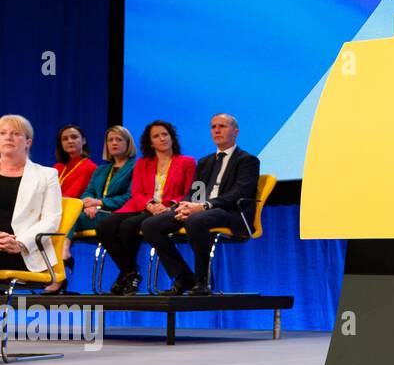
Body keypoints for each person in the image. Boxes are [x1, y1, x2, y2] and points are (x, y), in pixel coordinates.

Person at [141, 113, 259, 296]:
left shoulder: (247, 160)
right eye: (213, 127)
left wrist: (204, 206)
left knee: (196, 221)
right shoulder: (205, 162)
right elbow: (195, 192)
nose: (217, 130)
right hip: (201, 210)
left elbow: (239, 194)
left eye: (223, 126)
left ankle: (202, 280)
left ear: (235, 132)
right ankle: (183, 276)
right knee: (150, 225)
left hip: (231, 212)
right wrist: (185, 206)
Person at [97, 120, 196, 296]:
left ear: (172, 138)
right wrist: (150, 205)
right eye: (156, 136)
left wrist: (169, 206)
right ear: (151, 143)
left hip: (170, 210)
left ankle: (130, 275)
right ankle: (129, 271)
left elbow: (189, 192)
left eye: (165, 134)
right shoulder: (143, 163)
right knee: (106, 225)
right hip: (145, 207)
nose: (162, 138)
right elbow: (137, 192)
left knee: (129, 226)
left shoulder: (187, 162)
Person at [64, 126, 138, 291]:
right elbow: (87, 193)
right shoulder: (101, 169)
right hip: (93, 214)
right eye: (110, 140)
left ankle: (65, 252)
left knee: (71, 216)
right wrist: (87, 204)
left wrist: (99, 203)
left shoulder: (136, 167)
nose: (114, 143)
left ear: (128, 143)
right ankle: (60, 259)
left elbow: (130, 196)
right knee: (65, 215)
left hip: (118, 215)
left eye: (119, 140)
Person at [0, 114, 63, 285]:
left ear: (28, 142)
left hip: (24, 252)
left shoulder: (47, 175)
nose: (8, 137)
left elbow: (51, 220)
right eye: (3, 133)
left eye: (16, 133)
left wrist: (20, 243)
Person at [50, 124, 95, 290]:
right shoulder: (57, 168)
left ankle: (62, 260)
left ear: (83, 140)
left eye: (74, 137)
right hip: (56, 211)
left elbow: (74, 195)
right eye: (65, 138)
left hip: (74, 212)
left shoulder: (89, 166)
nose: (70, 141)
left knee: (66, 214)